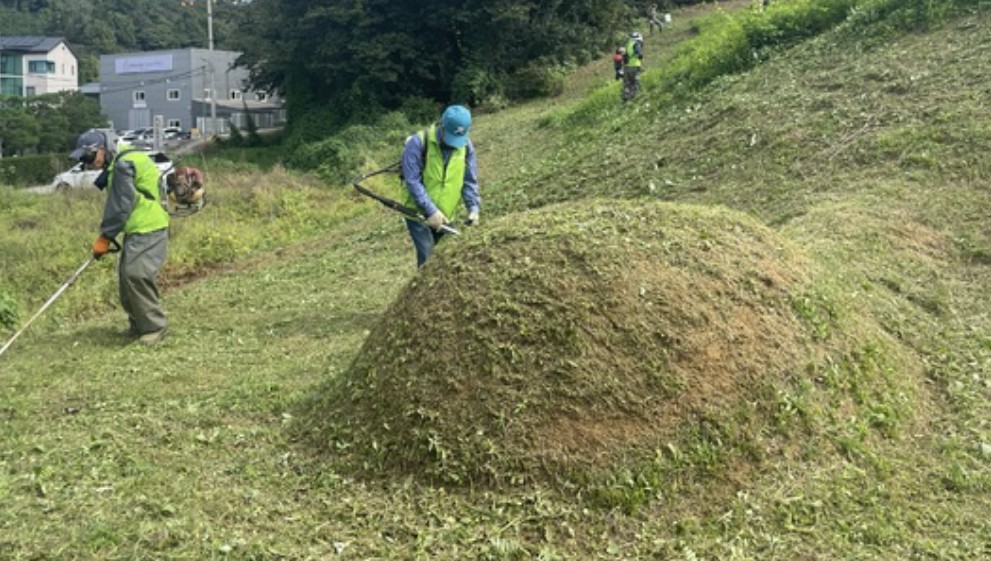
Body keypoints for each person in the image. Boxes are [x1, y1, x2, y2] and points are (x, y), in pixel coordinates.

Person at [70, 129, 170, 346]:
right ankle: (138, 325)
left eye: (88, 157)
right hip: (137, 228)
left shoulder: (124, 165)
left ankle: (155, 327)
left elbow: (121, 206)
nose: (87, 163)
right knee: (126, 278)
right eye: (83, 159)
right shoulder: (121, 160)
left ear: (102, 149)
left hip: (149, 226)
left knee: (136, 275)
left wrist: (105, 237)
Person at [401, 104, 480, 267]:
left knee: (449, 258)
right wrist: (430, 210)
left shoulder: (466, 146)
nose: (453, 144)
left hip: (446, 214)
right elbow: (412, 181)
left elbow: (469, 180)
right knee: (428, 260)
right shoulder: (418, 143)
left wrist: (473, 208)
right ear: (441, 126)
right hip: (418, 213)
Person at [622, 31, 645, 102]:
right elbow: (639, 54)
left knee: (627, 83)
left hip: (627, 67)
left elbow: (625, 57)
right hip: (635, 66)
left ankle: (626, 97)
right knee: (635, 82)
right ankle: (635, 98)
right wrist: (641, 58)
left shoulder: (628, 45)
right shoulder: (636, 44)